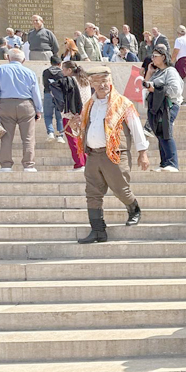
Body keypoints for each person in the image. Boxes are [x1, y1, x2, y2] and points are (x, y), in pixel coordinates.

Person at [71, 66, 150, 242]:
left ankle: (134, 209)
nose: (102, 85)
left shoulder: (123, 103)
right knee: (92, 194)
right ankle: (98, 230)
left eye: (105, 81)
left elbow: (136, 128)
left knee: (121, 189)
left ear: (110, 81)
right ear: (91, 83)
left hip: (115, 154)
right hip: (93, 155)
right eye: (97, 81)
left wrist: (142, 153)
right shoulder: (89, 105)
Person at [0, 48, 42, 172]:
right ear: (23, 60)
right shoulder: (29, 72)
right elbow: (35, 92)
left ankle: (5, 165)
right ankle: (29, 165)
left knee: (6, 137)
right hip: (26, 105)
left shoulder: (0, 70)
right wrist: (38, 109)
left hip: (5, 104)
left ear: (8, 58)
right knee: (28, 137)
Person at [143, 45, 183, 172]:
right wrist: (149, 73)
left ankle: (172, 162)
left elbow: (175, 90)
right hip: (157, 107)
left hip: (168, 106)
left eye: (155, 56)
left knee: (166, 131)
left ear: (163, 57)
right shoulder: (157, 72)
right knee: (160, 133)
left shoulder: (170, 71)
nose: (152, 58)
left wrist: (155, 89)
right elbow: (145, 85)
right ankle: (164, 163)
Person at [58, 61, 90, 170]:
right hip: (85, 114)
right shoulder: (85, 81)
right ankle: (86, 162)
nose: (62, 71)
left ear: (69, 70)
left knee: (74, 141)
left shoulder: (68, 81)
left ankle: (79, 163)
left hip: (71, 115)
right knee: (83, 140)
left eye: (64, 69)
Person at [42, 56, 65, 143]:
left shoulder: (46, 72)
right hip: (59, 96)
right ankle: (60, 135)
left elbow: (45, 84)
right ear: (60, 64)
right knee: (59, 117)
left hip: (48, 94)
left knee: (48, 116)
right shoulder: (62, 73)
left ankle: (50, 133)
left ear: (51, 63)